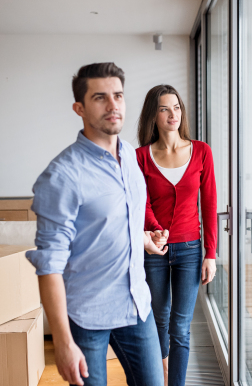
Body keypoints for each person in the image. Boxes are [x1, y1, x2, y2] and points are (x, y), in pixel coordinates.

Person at [26, 63, 167, 386]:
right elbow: (48, 266)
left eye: (118, 95)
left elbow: (115, 221)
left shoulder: (130, 157)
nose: (113, 105)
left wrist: (143, 240)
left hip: (136, 305)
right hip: (88, 315)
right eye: (100, 97)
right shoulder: (61, 176)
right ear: (80, 108)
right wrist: (62, 343)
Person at [135, 84, 217, 386]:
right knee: (159, 320)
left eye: (177, 107)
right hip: (154, 251)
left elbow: (208, 204)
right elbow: (139, 200)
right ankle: (158, 378)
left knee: (181, 326)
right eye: (164, 108)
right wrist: (157, 231)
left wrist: (211, 253)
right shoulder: (140, 157)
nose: (173, 114)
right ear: (153, 116)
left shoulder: (202, 152)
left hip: (190, 250)